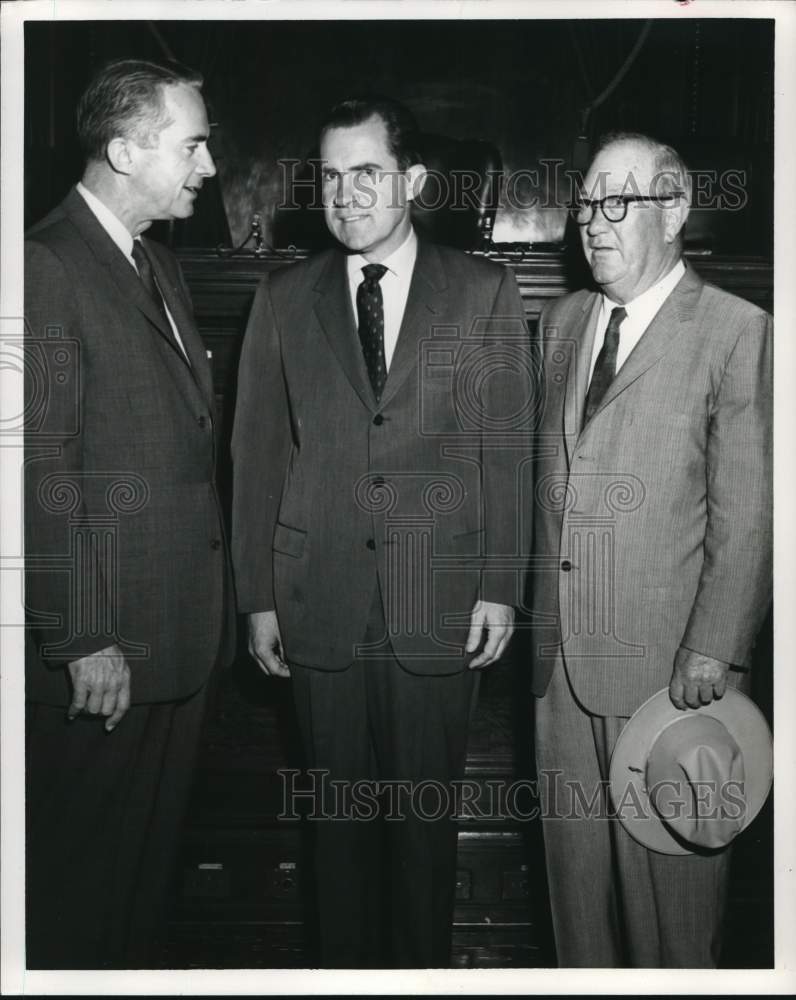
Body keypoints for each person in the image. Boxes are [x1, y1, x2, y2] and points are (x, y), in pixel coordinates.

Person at [231, 97, 532, 968]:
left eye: (366, 173)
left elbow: (505, 449)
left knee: (421, 843)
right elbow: (256, 455)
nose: (346, 194)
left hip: (435, 604)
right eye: (330, 176)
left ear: (413, 180)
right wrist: (257, 598)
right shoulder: (282, 299)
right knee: (335, 837)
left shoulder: (483, 290)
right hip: (314, 601)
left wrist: (498, 586)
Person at [529, 132, 772, 967]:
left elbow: (751, 510)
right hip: (556, 673)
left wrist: (714, 645)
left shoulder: (739, 332)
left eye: (617, 203)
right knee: (578, 921)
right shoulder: (559, 323)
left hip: (672, 678)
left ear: (674, 209)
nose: (593, 223)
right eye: (586, 204)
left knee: (671, 923)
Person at [24, 58, 235, 969]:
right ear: (124, 148)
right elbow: (38, 464)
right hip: (105, 656)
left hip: (176, 640)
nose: (209, 166)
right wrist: (79, 634)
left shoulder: (153, 262)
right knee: (77, 902)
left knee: (140, 895)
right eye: (191, 144)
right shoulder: (45, 263)